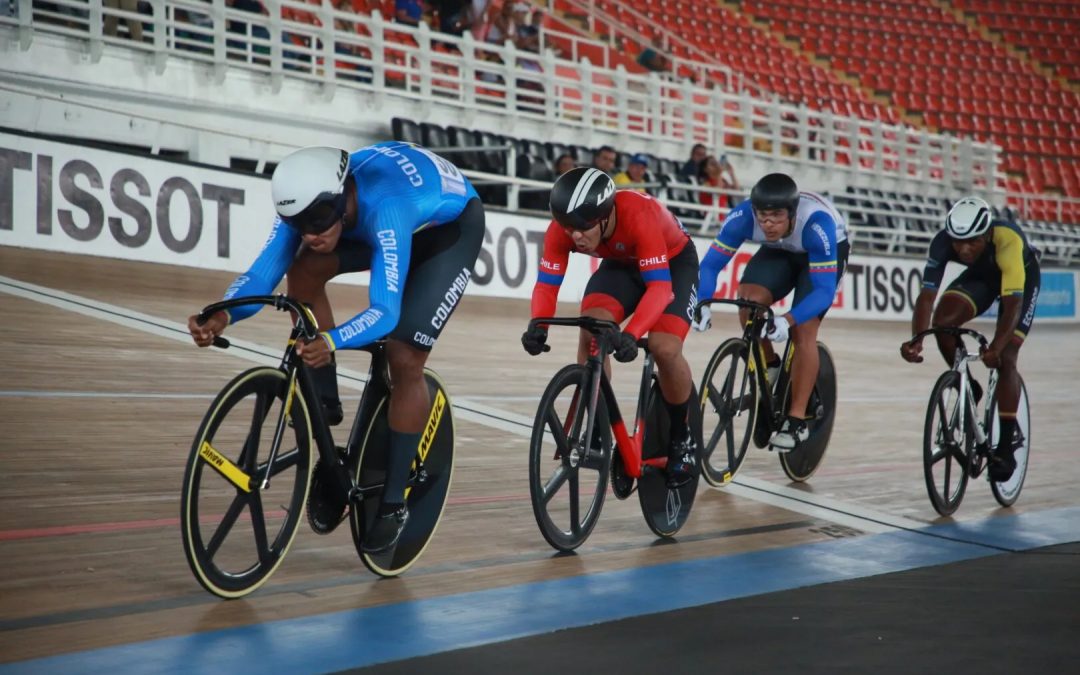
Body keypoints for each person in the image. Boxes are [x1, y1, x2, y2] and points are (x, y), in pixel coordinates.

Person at [187, 144, 485, 553]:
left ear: (344, 193)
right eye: (299, 223)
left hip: (447, 233)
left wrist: (331, 340)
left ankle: (394, 501)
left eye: (320, 220)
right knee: (304, 266)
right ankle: (325, 401)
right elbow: (262, 274)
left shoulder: (387, 204)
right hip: (373, 223)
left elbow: (385, 312)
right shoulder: (313, 206)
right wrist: (222, 316)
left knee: (404, 356)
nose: (311, 232)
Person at [521, 167, 700, 488]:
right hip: (622, 264)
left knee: (664, 347)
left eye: (583, 228)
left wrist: (632, 335)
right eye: (568, 227)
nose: (575, 236)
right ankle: (599, 425)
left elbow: (660, 289)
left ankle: (681, 438)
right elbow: (547, 285)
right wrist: (539, 324)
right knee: (593, 328)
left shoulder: (639, 215)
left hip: (672, 264)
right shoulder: (565, 228)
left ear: (604, 217)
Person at [694, 173, 849, 451]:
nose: (767, 224)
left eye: (776, 216)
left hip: (822, 250)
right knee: (749, 301)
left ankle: (796, 419)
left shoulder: (817, 224)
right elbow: (709, 266)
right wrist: (701, 302)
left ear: (791, 212)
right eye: (762, 216)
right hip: (780, 250)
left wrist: (787, 320)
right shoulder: (743, 217)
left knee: (804, 329)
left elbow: (823, 292)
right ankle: (771, 364)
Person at [900, 197, 1040, 482]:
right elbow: (927, 297)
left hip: (1021, 281)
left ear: (987, 234)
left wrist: (997, 348)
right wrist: (917, 339)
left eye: (972, 242)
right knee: (942, 323)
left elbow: (1012, 304)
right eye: (957, 242)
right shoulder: (942, 242)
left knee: (1007, 357)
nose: (963, 249)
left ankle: (1005, 444)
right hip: (982, 278)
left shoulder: (1007, 239)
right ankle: (970, 387)